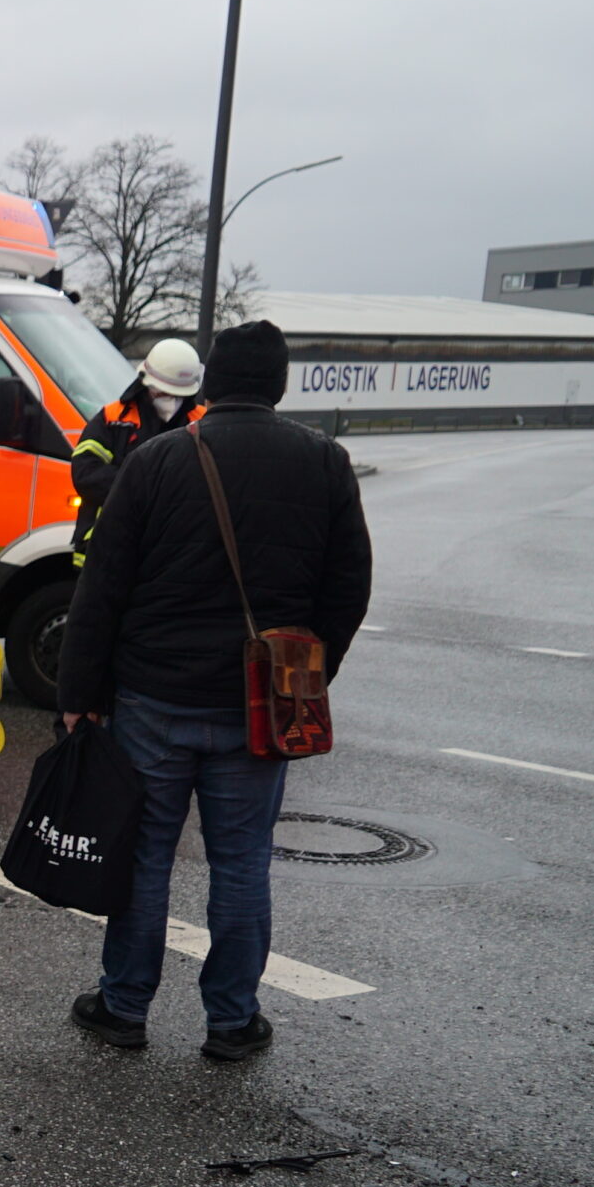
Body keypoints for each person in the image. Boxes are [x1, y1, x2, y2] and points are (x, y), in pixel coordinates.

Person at [55, 321, 371, 1062]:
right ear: (280, 385)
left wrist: (80, 691)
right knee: (240, 864)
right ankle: (232, 1021)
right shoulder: (324, 462)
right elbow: (348, 587)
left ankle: (123, 1006)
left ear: (215, 382)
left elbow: (104, 586)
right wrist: (305, 674)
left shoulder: (158, 460)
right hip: (259, 708)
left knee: (144, 858)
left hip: (153, 699)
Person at [70, 338, 202, 567]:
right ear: (146, 384)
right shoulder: (113, 419)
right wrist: (145, 489)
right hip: (108, 550)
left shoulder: (201, 422)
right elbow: (85, 473)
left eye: (177, 396)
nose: (169, 401)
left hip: (177, 555)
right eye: (163, 393)